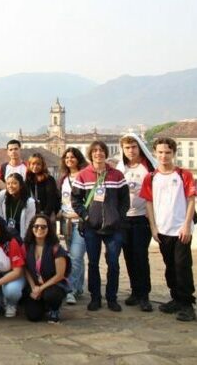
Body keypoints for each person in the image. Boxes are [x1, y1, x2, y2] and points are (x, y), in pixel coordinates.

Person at [71, 140, 129, 312]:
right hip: (92, 227)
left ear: (106, 153)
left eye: (101, 150)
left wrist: (119, 216)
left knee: (113, 263)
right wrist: (86, 215)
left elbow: (125, 199)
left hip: (114, 227)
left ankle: (112, 298)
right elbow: (75, 200)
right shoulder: (83, 175)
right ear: (91, 154)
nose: (98, 153)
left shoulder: (117, 175)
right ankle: (95, 297)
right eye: (95, 151)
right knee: (93, 263)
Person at [142, 137, 196, 322]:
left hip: (180, 229)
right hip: (162, 230)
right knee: (170, 266)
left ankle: (187, 304)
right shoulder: (151, 177)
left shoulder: (183, 175)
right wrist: (153, 227)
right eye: (160, 152)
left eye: (167, 152)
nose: (164, 156)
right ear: (155, 153)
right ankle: (176, 298)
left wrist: (187, 225)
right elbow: (148, 202)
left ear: (173, 153)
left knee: (182, 266)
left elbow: (191, 200)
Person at [117, 133, 157, 312]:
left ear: (139, 147)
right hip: (125, 218)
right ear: (122, 150)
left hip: (143, 218)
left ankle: (144, 294)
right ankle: (135, 291)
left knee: (141, 256)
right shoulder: (121, 169)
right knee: (129, 256)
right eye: (127, 148)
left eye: (133, 147)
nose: (130, 151)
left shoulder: (148, 168)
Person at [22, 215, 70, 323]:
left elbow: (60, 275)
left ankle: (54, 309)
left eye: (43, 227)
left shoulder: (56, 248)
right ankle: (43, 306)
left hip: (52, 285)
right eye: (36, 226)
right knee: (33, 316)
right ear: (31, 228)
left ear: (49, 229)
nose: (39, 229)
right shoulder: (27, 246)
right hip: (35, 285)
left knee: (51, 295)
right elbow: (25, 268)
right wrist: (33, 287)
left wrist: (41, 288)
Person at [58, 147, 88, 305]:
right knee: (76, 256)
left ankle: (70, 290)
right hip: (66, 222)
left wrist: (79, 214)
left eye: (72, 157)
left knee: (75, 257)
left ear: (78, 159)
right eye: (67, 157)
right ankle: (79, 287)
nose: (69, 160)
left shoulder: (85, 176)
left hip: (80, 222)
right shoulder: (64, 178)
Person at [0, 172, 36, 240]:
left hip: (21, 236)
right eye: (8, 184)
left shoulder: (30, 202)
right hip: (5, 235)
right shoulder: (2, 195)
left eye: (14, 183)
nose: (10, 186)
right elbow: (0, 216)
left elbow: (29, 225)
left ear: (21, 185)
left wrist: (23, 241)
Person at [25, 153, 61, 221]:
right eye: (33, 164)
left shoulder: (49, 179)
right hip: (31, 215)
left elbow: (51, 200)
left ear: (42, 166)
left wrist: (44, 216)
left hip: (46, 215)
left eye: (38, 164)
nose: (35, 166)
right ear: (29, 165)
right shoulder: (27, 180)